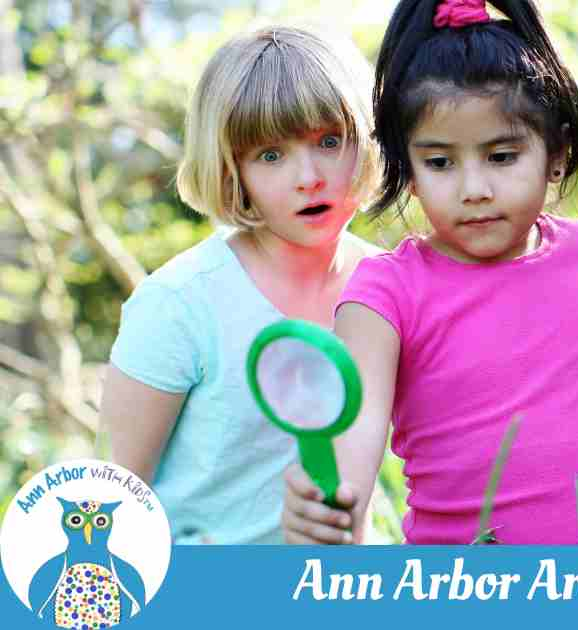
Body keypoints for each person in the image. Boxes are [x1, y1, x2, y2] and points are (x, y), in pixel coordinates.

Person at [281, 0, 578, 545]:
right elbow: (353, 432)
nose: (474, 189)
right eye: (441, 162)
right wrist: (331, 508)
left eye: (502, 156)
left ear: (558, 153)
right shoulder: (385, 293)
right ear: (408, 171)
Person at [101, 25, 383, 544]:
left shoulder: (392, 287)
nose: (309, 176)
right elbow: (113, 496)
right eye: (270, 155)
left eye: (329, 141)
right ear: (234, 171)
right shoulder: (178, 304)